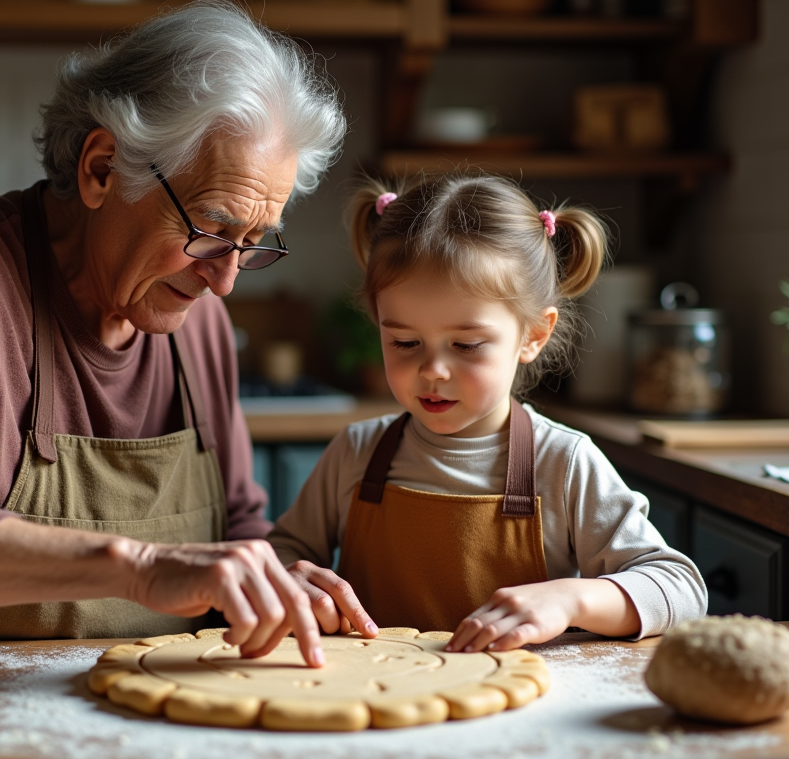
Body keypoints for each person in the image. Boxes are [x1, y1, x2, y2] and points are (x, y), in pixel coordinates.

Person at [0, 1, 371, 668]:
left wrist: (275, 577)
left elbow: (234, 524)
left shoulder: (194, 322)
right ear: (102, 168)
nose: (225, 280)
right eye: (209, 228)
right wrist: (136, 566)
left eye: (252, 243)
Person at [272, 172, 708, 652]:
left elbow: (680, 588)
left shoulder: (563, 463)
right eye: (404, 342)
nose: (433, 369)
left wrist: (570, 600)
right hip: (381, 713)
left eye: (466, 344)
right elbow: (282, 553)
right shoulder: (356, 453)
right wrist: (291, 579)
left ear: (532, 336)